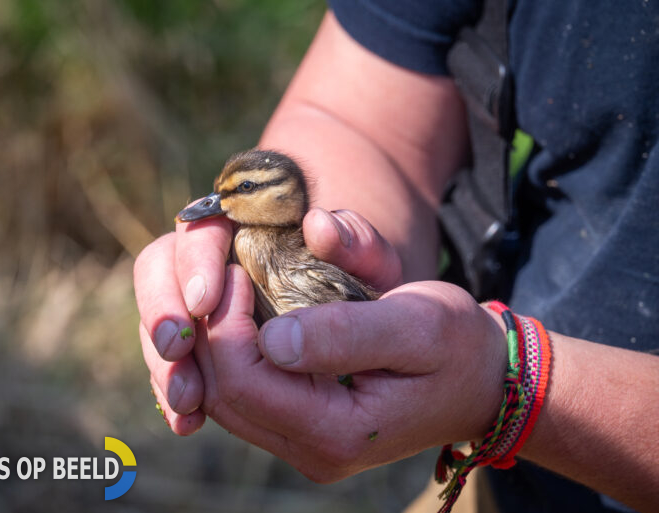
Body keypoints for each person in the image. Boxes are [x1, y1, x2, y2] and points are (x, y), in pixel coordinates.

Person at [134, 2, 659, 511]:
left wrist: (509, 389)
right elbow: (363, 121)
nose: (215, 206)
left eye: (240, 191)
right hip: (509, 483)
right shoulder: (257, 243)